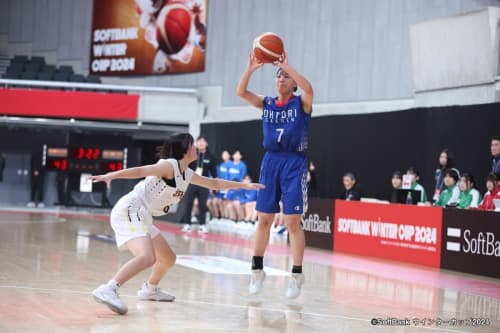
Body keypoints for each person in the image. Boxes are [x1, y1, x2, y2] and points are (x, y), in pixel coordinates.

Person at [88, 133, 264, 315]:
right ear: (185, 149)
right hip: (131, 209)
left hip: (144, 215)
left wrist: (245, 186)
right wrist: (111, 175)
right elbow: (141, 171)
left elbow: (214, 183)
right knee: (147, 257)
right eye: (193, 145)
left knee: (168, 259)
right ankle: (109, 289)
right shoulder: (169, 165)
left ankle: (150, 289)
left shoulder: (186, 173)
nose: (196, 148)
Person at [236, 51, 313, 299]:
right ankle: (257, 270)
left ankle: (297, 275)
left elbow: (309, 88)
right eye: (278, 75)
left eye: (285, 76)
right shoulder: (267, 103)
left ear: (293, 83)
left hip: (293, 163)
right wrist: (250, 69)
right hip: (270, 162)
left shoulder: (301, 103)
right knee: (264, 220)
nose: (281, 79)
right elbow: (241, 92)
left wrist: (288, 66)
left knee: (292, 222)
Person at [181, 136, 217, 233]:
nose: (201, 143)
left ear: (206, 144)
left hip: (204, 183)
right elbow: (184, 167)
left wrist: (214, 185)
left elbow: (214, 172)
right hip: (191, 182)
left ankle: (202, 225)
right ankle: (187, 224)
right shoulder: (191, 154)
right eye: (199, 141)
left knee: (202, 205)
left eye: (203, 141)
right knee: (188, 203)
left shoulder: (211, 156)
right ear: (196, 143)